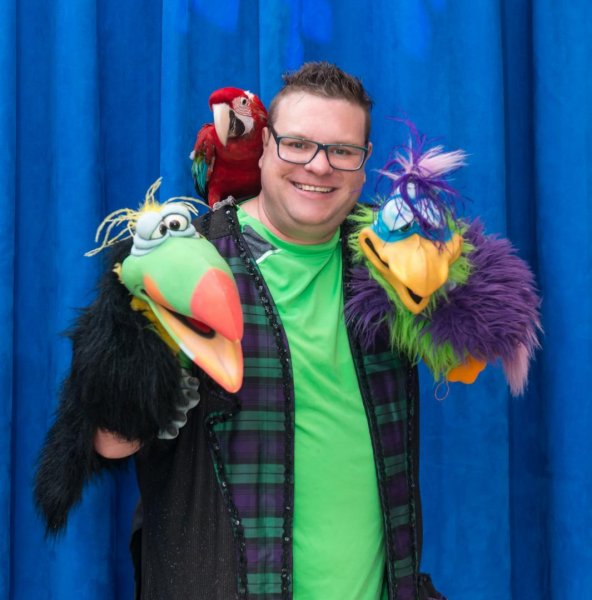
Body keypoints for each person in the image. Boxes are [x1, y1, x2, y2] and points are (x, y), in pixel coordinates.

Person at [95, 62, 444, 600]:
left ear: (364, 162)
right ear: (263, 147)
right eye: (297, 144)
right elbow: (110, 441)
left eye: (342, 150)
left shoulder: (392, 260)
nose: (319, 166)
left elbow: (487, 333)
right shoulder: (184, 264)